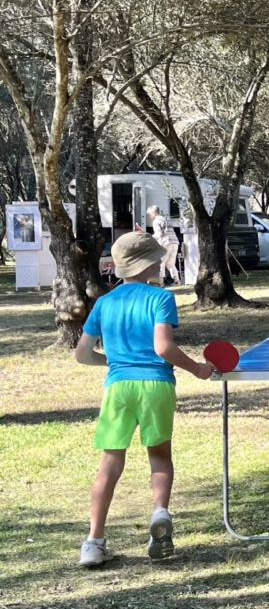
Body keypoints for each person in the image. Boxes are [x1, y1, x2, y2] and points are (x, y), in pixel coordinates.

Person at [74, 232, 214, 567]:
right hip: (156, 385)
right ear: (149, 263)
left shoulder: (104, 303)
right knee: (160, 457)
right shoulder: (160, 298)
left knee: (109, 464)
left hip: (119, 387)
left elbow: (82, 353)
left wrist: (115, 361)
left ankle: (93, 542)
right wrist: (197, 369)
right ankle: (159, 514)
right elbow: (163, 348)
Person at [147, 206, 179, 286]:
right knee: (170, 263)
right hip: (175, 242)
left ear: (154, 213)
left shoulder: (156, 221)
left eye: (149, 214)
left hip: (166, 242)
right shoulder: (166, 219)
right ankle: (177, 281)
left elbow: (159, 234)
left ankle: (160, 282)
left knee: (161, 262)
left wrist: (150, 237)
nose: (149, 216)